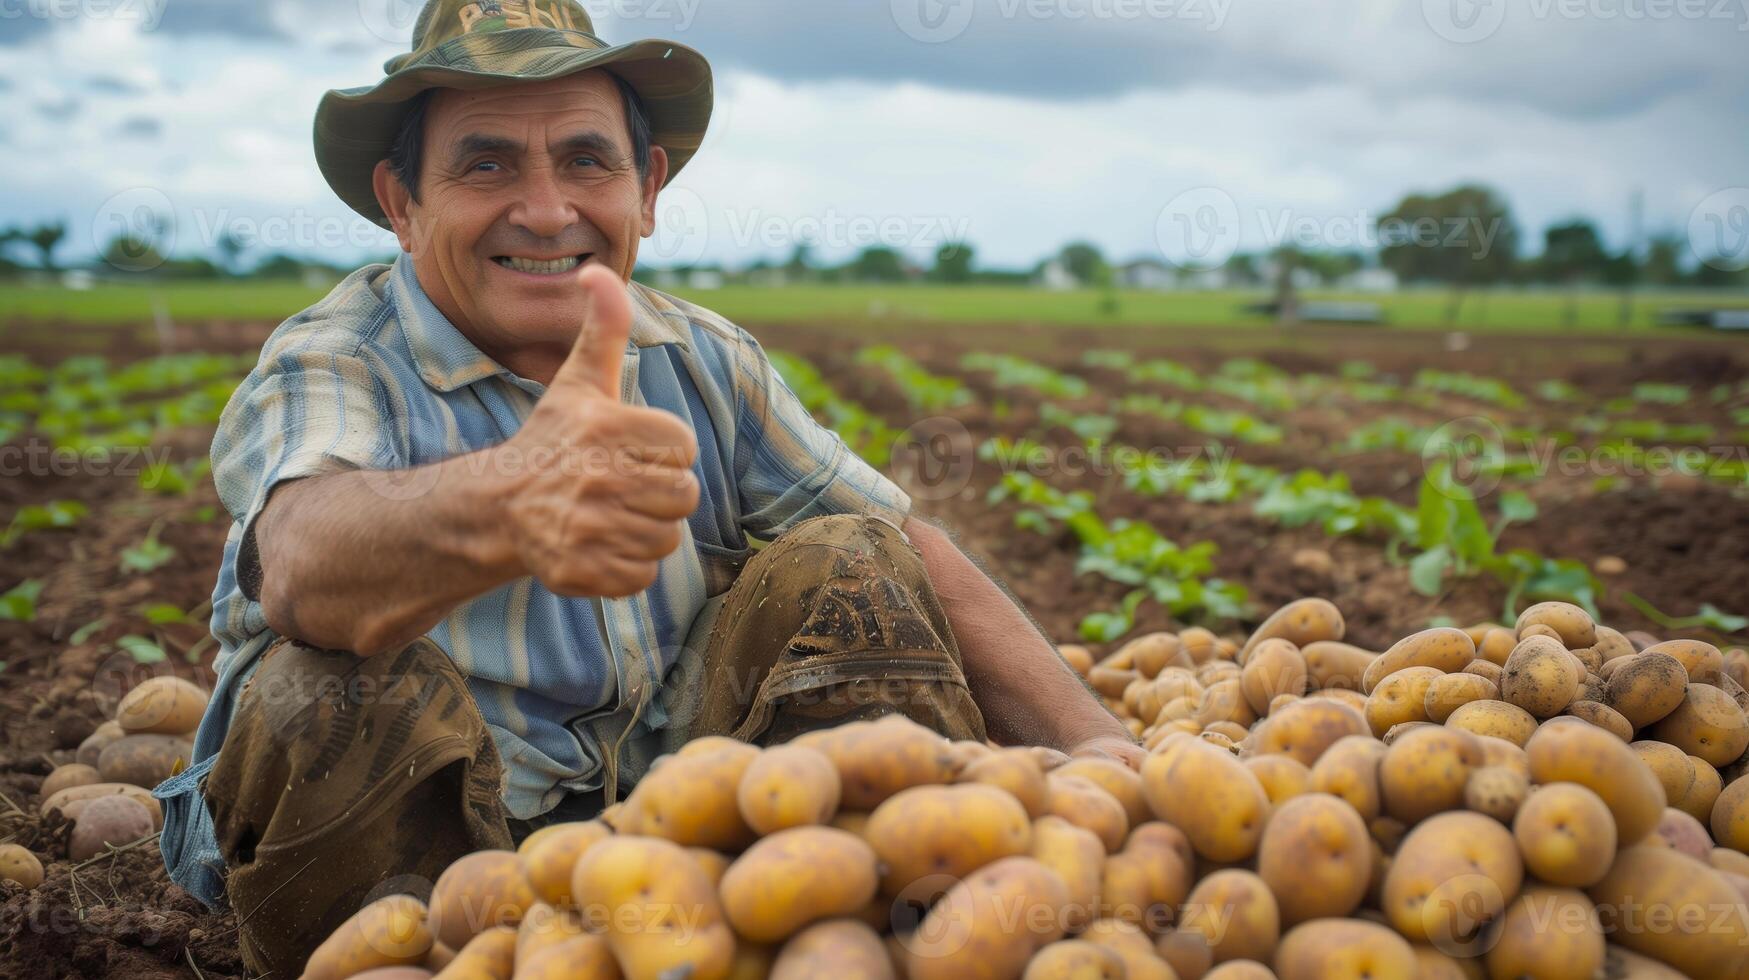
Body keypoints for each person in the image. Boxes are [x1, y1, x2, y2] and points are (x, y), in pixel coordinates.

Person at [152, 0, 1141, 972]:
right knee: (322, 684)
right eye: (486, 161)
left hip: (676, 844)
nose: (547, 209)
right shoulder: (334, 362)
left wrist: (1104, 748)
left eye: (586, 159)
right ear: (401, 203)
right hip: (427, 877)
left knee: (853, 557)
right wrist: (508, 499)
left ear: (649, 187)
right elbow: (301, 561)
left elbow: (909, 545)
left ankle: (848, 934)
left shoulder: (702, 358)